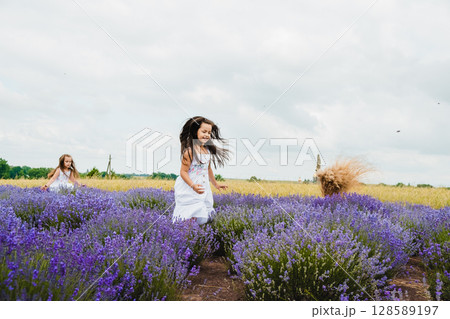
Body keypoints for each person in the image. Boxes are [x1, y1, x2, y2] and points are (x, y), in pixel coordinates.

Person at [172, 116, 230, 225]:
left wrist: (216, 184)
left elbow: (208, 169)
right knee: (190, 213)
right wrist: (193, 185)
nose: (207, 135)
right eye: (204, 131)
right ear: (196, 131)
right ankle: (186, 237)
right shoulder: (189, 151)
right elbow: (183, 172)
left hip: (203, 186)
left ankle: (197, 237)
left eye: (209, 132)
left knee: (202, 213)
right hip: (189, 185)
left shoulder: (207, 150)